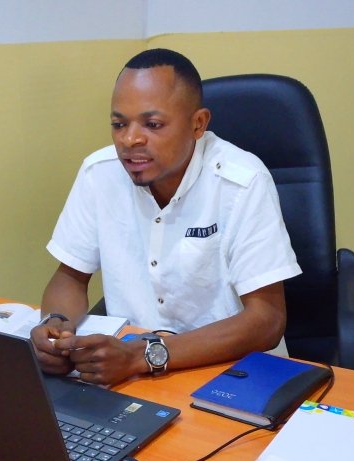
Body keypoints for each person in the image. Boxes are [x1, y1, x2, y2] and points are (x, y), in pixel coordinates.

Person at [30, 48, 301, 386]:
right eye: (119, 124)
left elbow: (267, 320)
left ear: (198, 124)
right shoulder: (98, 173)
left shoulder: (242, 181)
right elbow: (70, 276)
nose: (130, 139)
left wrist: (142, 356)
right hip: (133, 375)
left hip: (235, 372)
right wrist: (55, 327)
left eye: (153, 124)